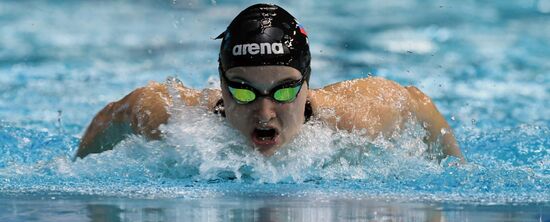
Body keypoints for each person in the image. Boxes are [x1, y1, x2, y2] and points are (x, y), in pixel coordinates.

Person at [76, 3, 464, 161]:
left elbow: (415, 102)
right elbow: (119, 113)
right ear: (222, 85)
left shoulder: (356, 121)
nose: (265, 112)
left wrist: (456, 170)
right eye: (243, 91)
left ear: (307, 84)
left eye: (284, 90)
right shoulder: (175, 121)